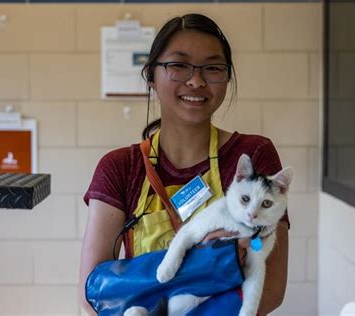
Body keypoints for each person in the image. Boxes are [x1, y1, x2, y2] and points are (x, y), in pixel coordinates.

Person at [79, 13, 289, 315]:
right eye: (178, 65)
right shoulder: (120, 167)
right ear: (151, 74)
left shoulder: (253, 156)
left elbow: (270, 290)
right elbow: (93, 294)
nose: (196, 80)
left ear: (227, 77)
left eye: (213, 68)